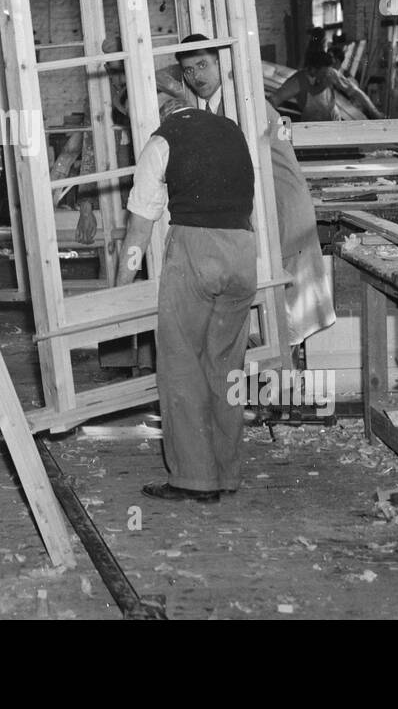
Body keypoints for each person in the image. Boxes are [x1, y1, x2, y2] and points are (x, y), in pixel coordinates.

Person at [115, 85, 258, 503]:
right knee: (226, 367)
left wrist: (123, 285)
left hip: (197, 252)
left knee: (181, 365)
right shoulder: (231, 129)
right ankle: (226, 475)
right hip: (243, 254)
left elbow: (140, 230)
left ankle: (193, 481)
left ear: (152, 114)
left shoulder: (161, 141)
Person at [161, 34, 336, 356]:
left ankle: (283, 397)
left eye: (203, 64)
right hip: (259, 207)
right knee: (269, 311)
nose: (197, 75)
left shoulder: (241, 102)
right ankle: (275, 392)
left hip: (279, 205)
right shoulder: (211, 105)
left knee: (285, 308)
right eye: (188, 70)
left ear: (220, 64)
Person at [269, 47, 382, 121]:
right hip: (310, 127)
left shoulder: (330, 73)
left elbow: (356, 92)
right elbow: (273, 101)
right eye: (323, 73)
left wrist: (374, 112)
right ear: (313, 70)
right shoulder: (296, 82)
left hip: (334, 122)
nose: (327, 76)